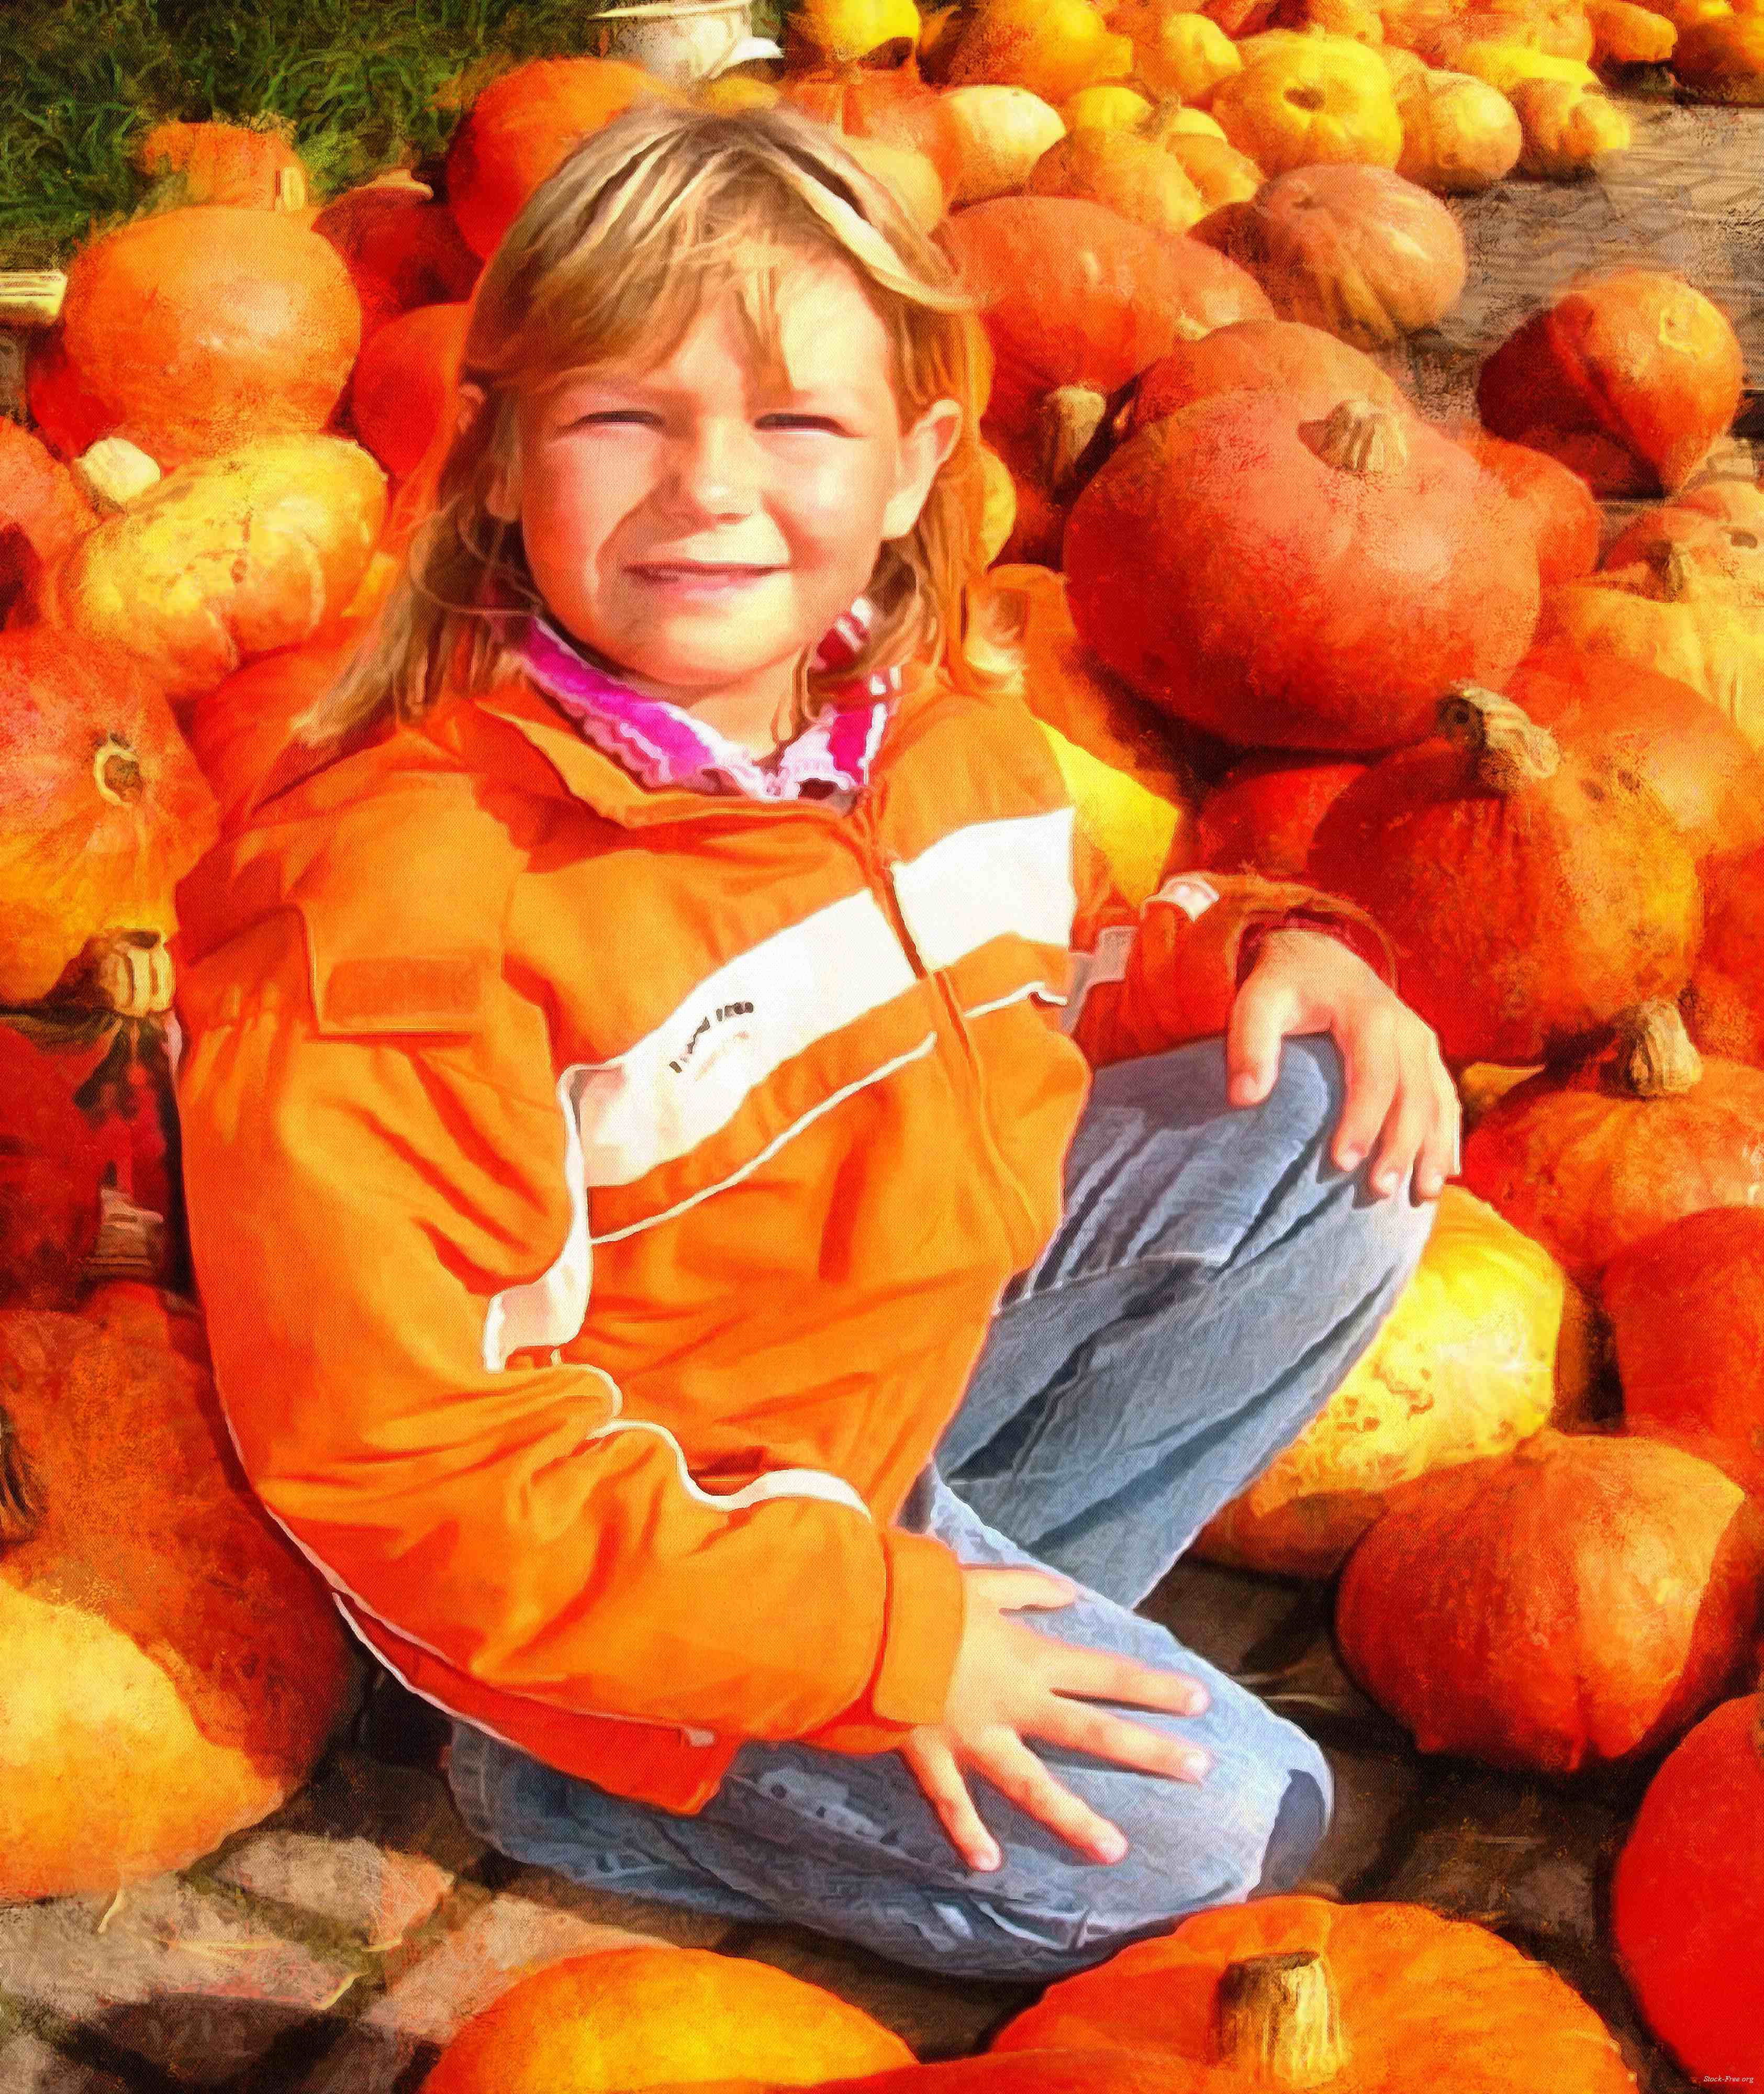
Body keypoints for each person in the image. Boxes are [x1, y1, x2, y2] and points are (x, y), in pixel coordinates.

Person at [171, 100, 1455, 1984]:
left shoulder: (933, 742)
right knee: (1242, 1832)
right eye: (626, 417)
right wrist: (875, 1639)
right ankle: (595, 1775)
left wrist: (1254, 955)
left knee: (1336, 1107)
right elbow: (410, 1463)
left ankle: (951, 1629)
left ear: (920, 457)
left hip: (873, 1402)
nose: (709, 488)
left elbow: (1044, 980)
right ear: (506, 446)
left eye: (794, 423)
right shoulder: (397, 911)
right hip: (626, 1550)